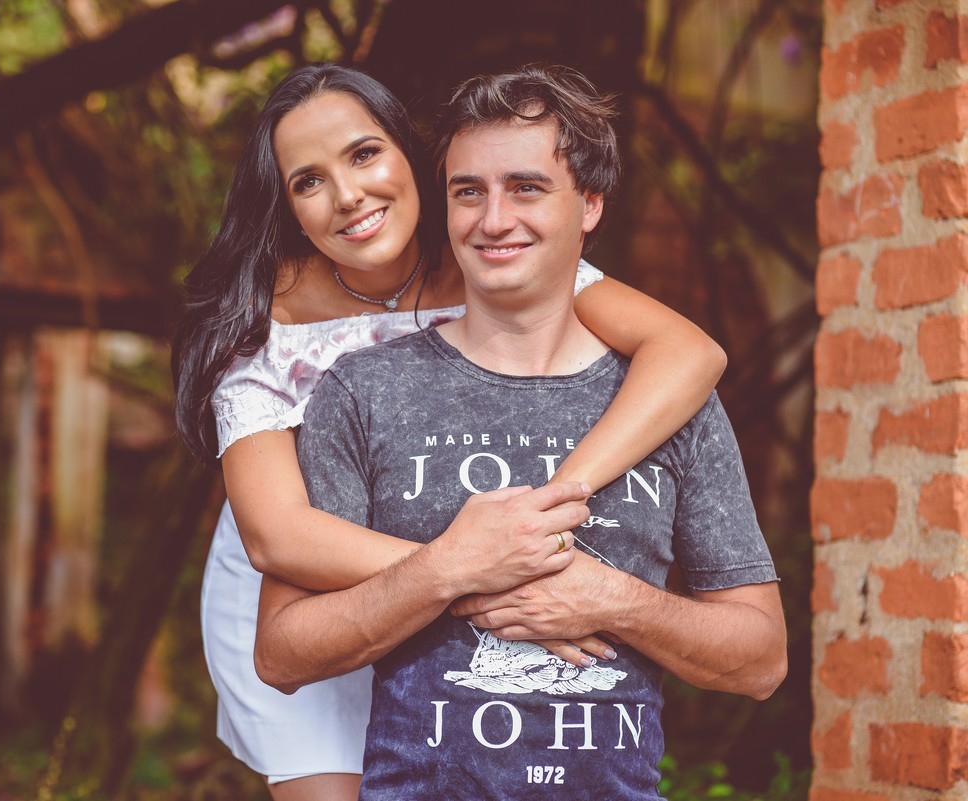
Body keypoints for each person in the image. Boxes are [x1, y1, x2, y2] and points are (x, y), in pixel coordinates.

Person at [173, 64, 727, 801]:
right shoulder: (258, 320)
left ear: (413, 157)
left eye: (364, 154)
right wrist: (477, 573)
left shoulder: (489, 253)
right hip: (311, 592)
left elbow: (690, 354)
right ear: (289, 208)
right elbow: (279, 538)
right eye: (308, 181)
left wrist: (552, 509)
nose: (348, 195)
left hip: (483, 565)